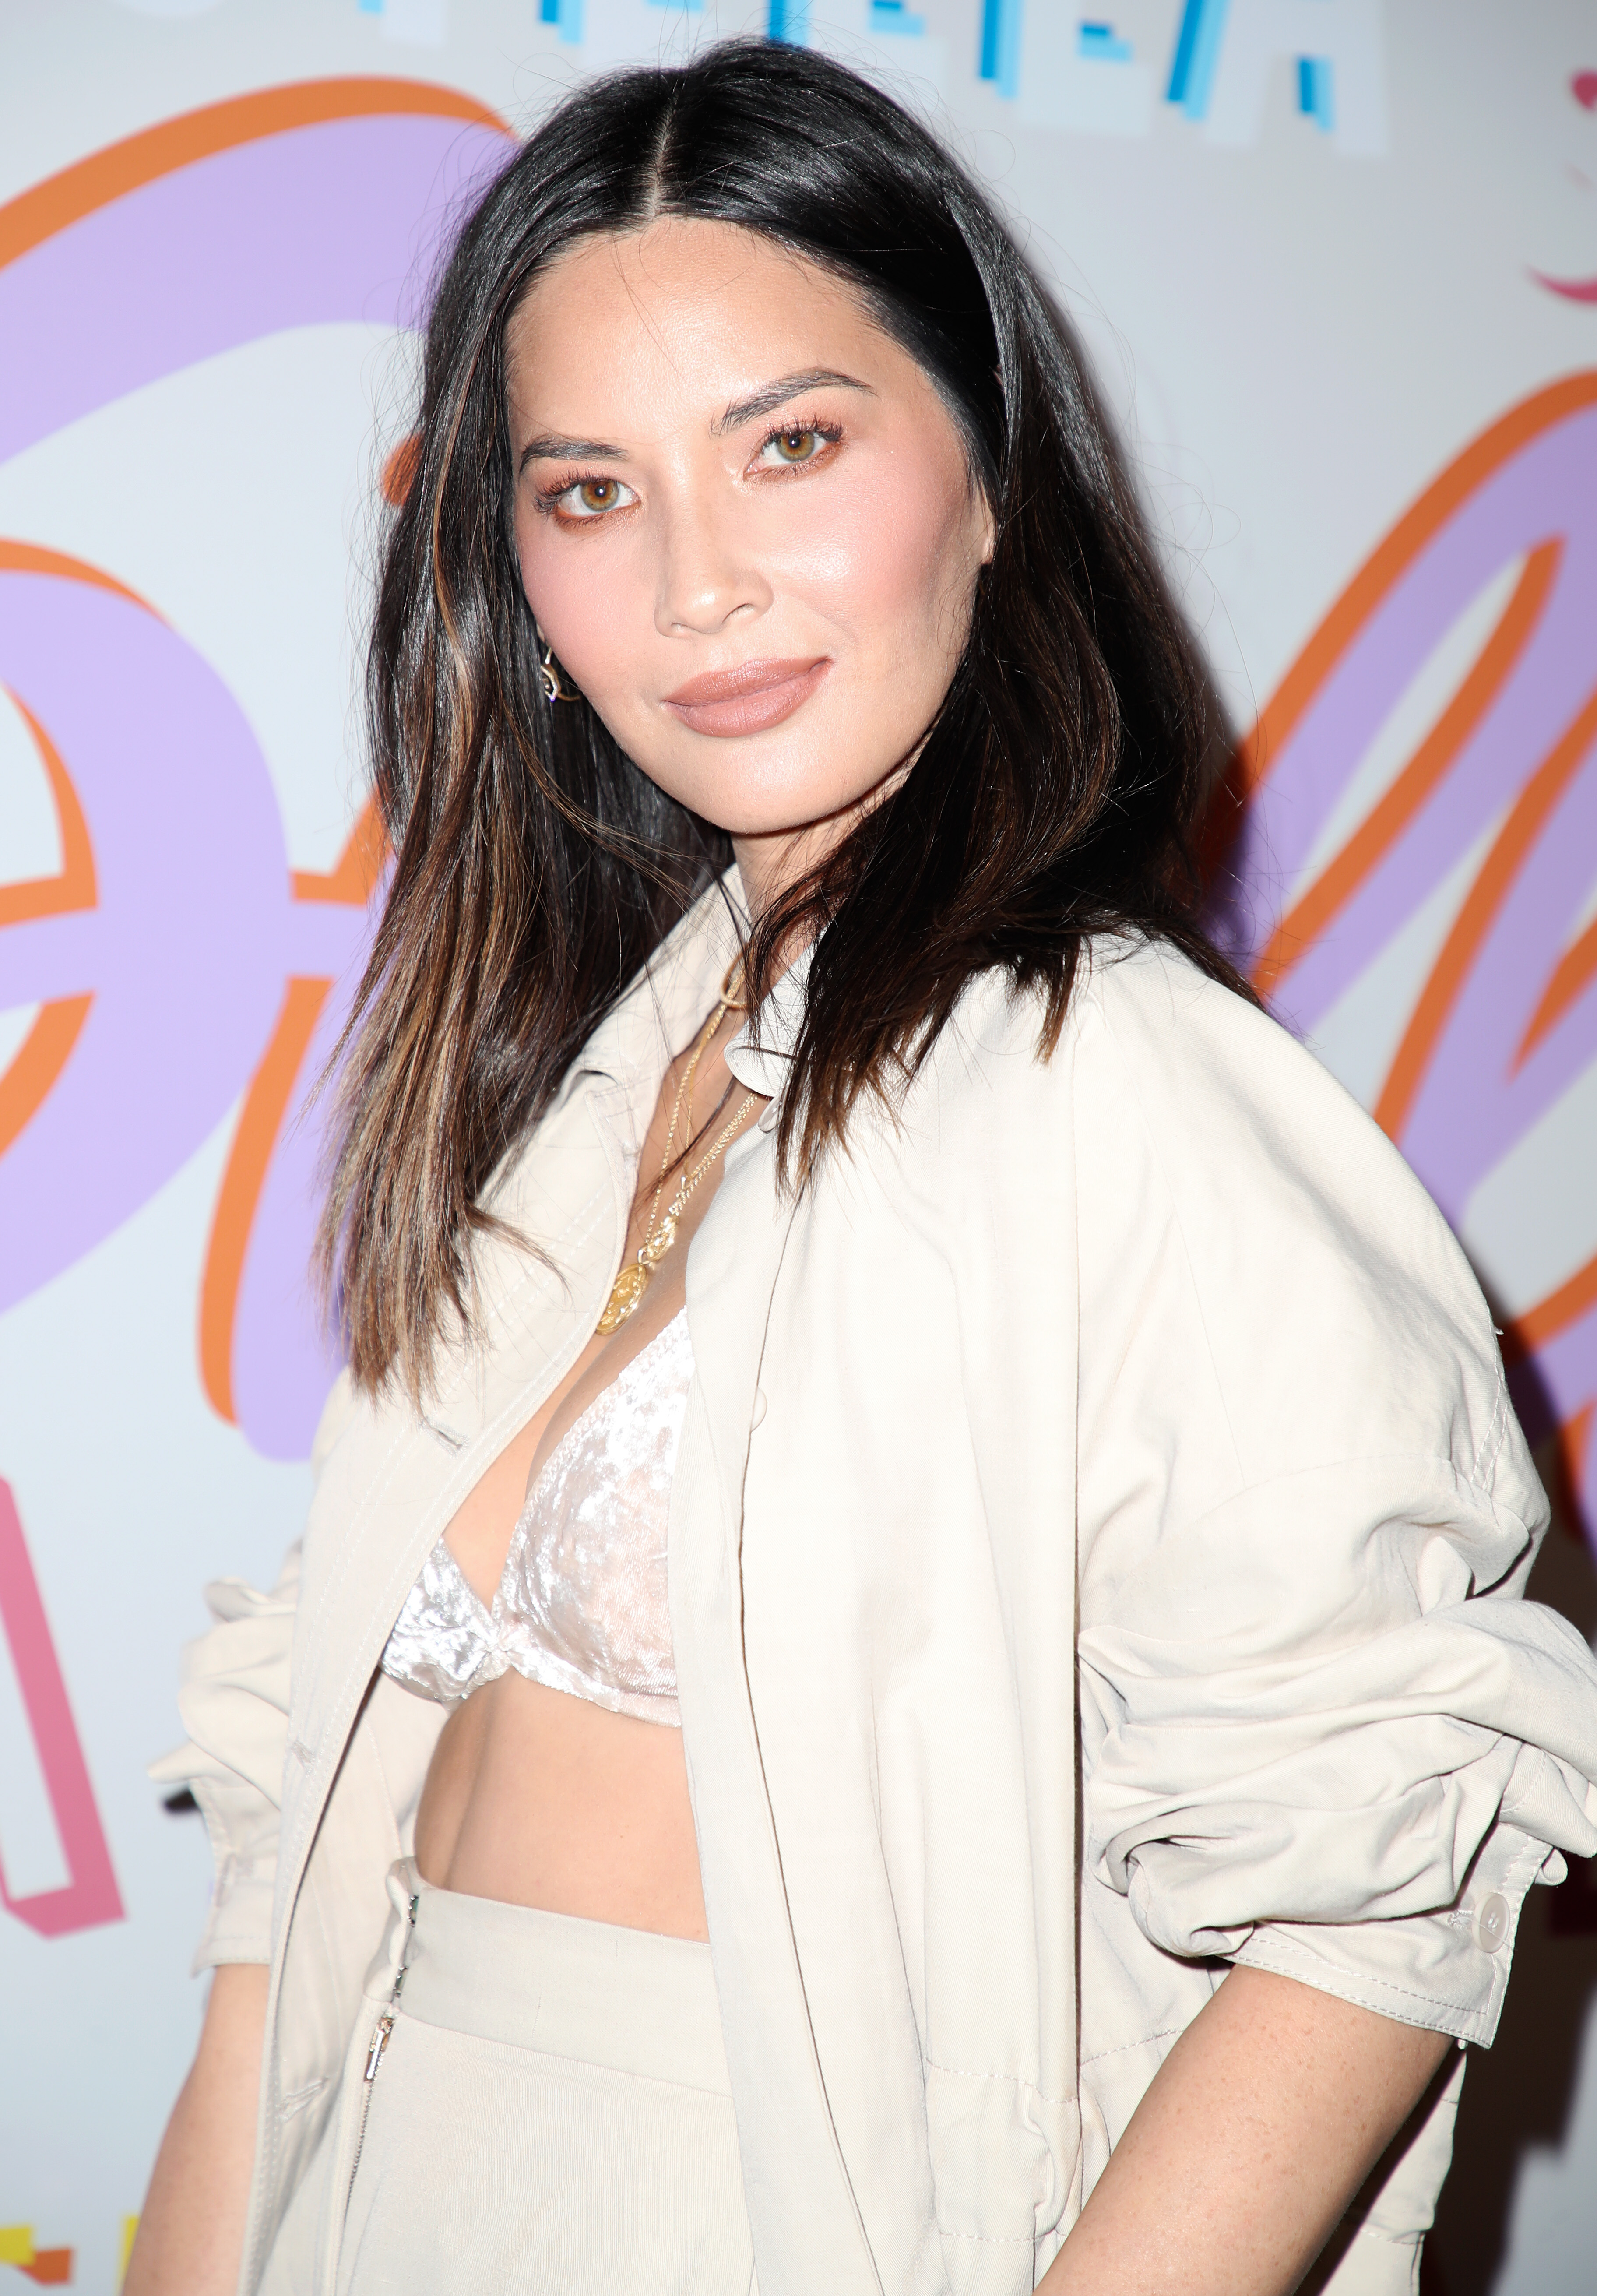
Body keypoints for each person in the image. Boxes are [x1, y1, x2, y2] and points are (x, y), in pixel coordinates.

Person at [127, 39, 1597, 2296]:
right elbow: (296, 1881)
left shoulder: (1123, 1098)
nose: (698, 585)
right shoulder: (584, 1099)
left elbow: (1364, 1913)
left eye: (791, 445)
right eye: (591, 491)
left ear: (989, 477)